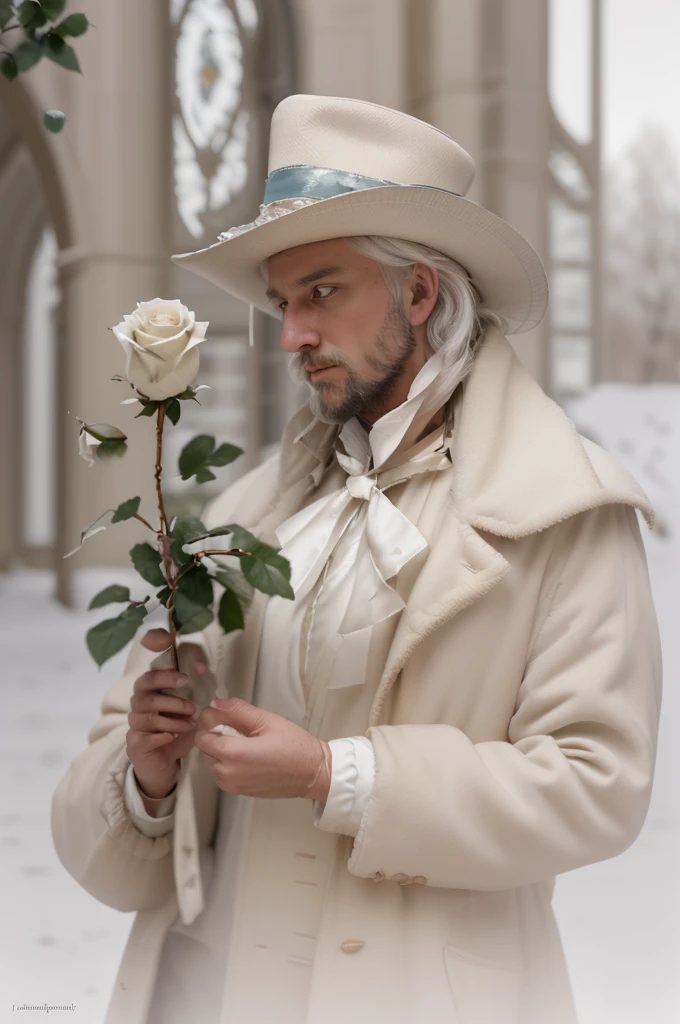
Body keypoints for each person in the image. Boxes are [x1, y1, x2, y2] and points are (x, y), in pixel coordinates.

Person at [51, 94, 662, 1024]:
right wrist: (147, 772)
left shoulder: (560, 506)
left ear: (419, 292)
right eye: (283, 303)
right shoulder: (243, 511)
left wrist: (334, 775)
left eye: (322, 293)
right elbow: (113, 812)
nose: (292, 335)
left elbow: (594, 785)